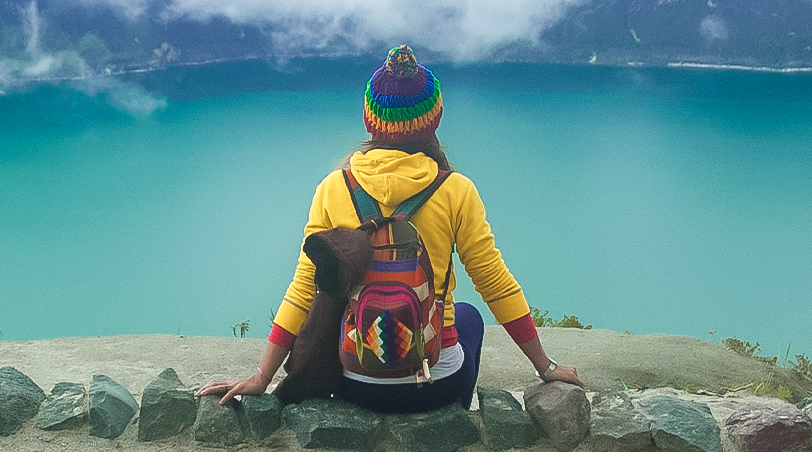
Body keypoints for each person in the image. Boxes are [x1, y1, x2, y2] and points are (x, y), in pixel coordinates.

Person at [197, 45, 585, 411]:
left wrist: (262, 375)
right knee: (468, 315)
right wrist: (546, 369)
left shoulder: (335, 187)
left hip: (353, 382)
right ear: (435, 118)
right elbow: (495, 283)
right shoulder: (456, 190)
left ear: (370, 119)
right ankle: (453, 416)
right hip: (435, 386)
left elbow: (303, 288)